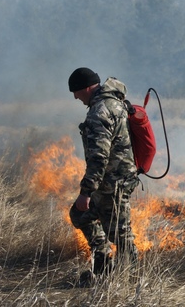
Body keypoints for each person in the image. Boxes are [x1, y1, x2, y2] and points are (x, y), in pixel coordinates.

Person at [67, 67, 139, 277]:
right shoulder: (115, 103)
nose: (75, 97)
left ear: (87, 88)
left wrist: (86, 192)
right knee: (81, 216)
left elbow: (99, 157)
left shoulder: (100, 112)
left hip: (112, 183)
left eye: (76, 92)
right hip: (115, 179)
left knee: (119, 232)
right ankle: (102, 261)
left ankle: (131, 277)